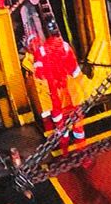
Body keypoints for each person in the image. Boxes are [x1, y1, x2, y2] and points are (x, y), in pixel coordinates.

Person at [31, 19, 85, 154]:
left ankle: (65, 152)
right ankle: (82, 152)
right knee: (78, 125)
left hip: (55, 96)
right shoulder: (66, 47)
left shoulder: (40, 51)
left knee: (61, 127)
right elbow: (75, 71)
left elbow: (39, 75)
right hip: (70, 94)